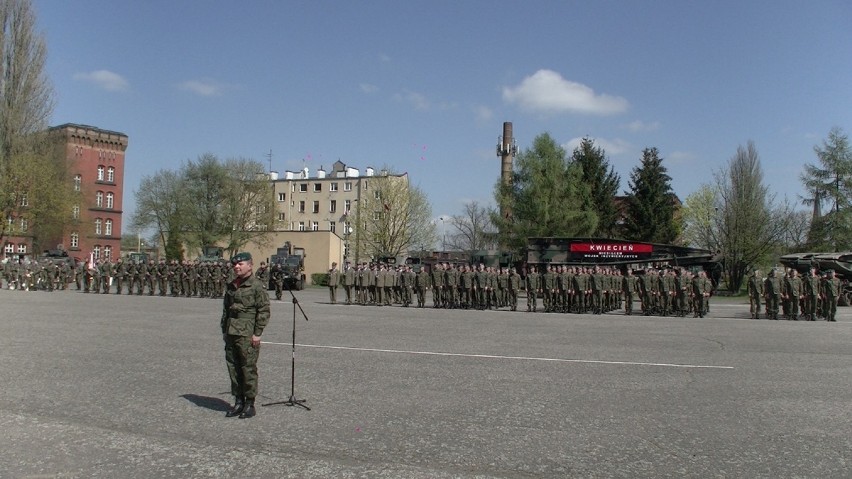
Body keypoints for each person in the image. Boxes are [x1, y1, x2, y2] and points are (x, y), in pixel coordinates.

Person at [221, 252, 270, 419]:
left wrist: (257, 333)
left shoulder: (256, 286)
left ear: (250, 265)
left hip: (247, 333)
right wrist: (224, 330)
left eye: (240, 264)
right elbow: (226, 310)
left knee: (248, 368)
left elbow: (263, 311)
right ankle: (238, 401)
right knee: (233, 368)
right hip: (232, 331)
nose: (236, 267)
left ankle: (250, 403)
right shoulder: (231, 284)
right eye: (235, 264)